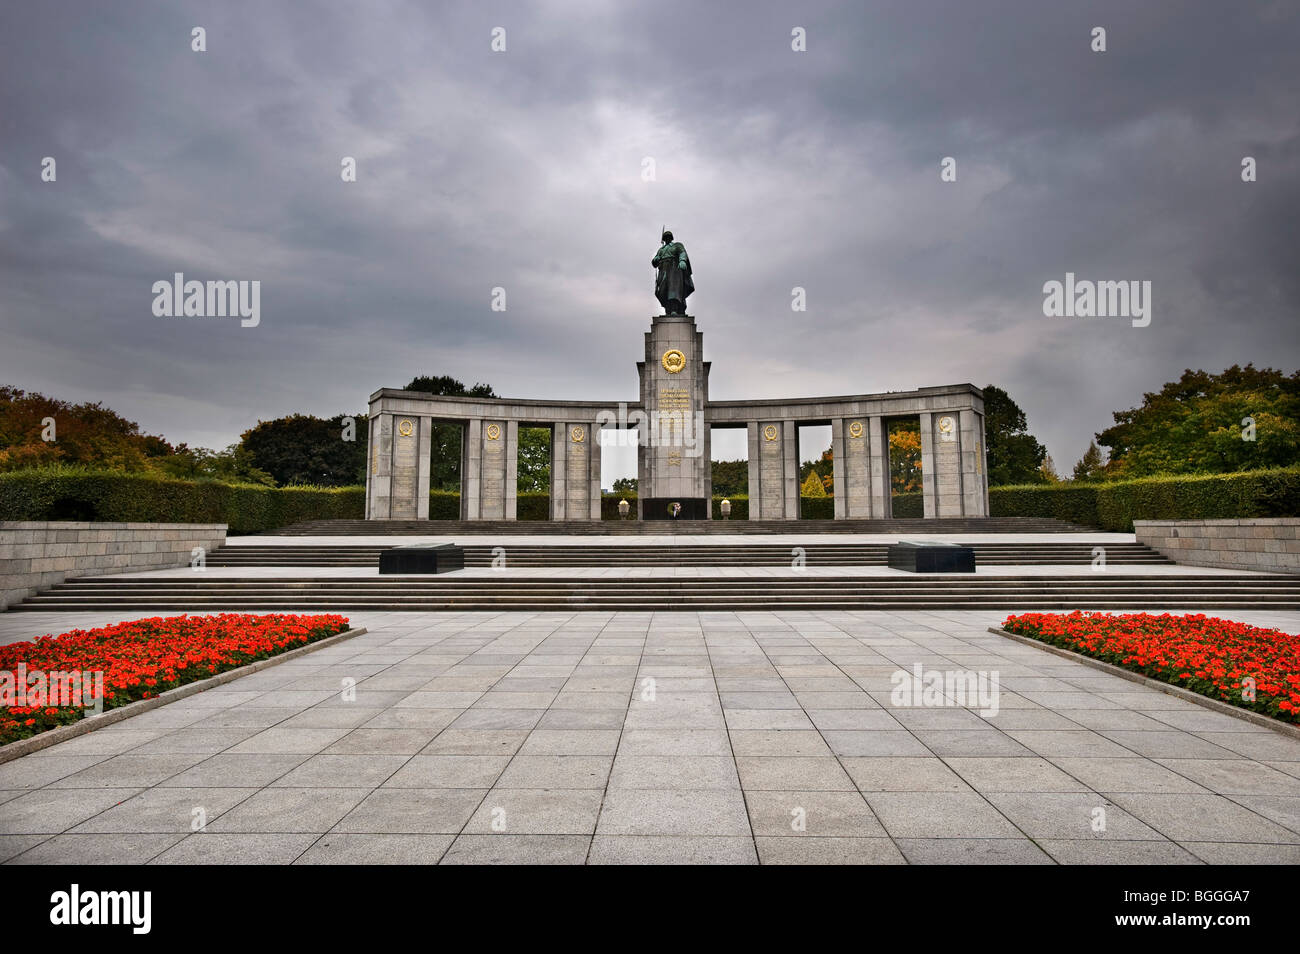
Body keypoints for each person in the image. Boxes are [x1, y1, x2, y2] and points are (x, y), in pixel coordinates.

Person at [652, 231, 694, 315]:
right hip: (663, 270)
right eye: (666, 237)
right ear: (664, 239)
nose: (667, 238)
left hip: (674, 269)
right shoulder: (661, 250)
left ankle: (674, 309)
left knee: (673, 289)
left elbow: (682, 253)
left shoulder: (677, 245)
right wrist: (655, 259)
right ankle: (668, 309)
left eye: (669, 237)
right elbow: (654, 263)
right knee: (663, 290)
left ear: (671, 238)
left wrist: (682, 261)